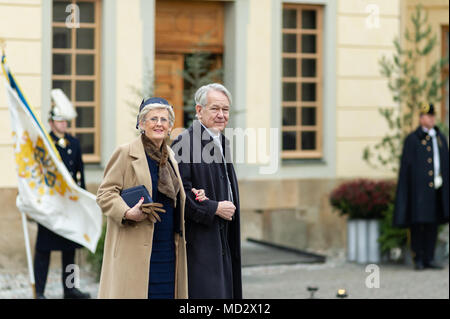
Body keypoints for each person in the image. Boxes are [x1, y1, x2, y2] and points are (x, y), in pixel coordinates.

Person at [96, 97, 207, 299]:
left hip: (166, 248)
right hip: (134, 248)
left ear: (170, 126)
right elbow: (105, 194)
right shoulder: (125, 153)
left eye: (164, 120)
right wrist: (127, 212)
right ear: (141, 123)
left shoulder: (170, 156)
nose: (159, 124)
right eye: (153, 118)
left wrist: (190, 195)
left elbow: (171, 195)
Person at [171, 83, 242, 299]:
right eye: (215, 109)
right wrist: (214, 208)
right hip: (200, 242)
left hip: (224, 238)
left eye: (225, 109)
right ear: (199, 111)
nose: (221, 115)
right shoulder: (184, 143)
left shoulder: (222, 141)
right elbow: (179, 193)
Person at [33, 89, 91, 299]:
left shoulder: (74, 144)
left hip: (70, 204)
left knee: (70, 248)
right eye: (59, 120)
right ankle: (39, 291)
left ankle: (70, 288)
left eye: (65, 120)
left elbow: (80, 174)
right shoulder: (44, 144)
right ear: (51, 122)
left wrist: (83, 199)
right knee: (44, 250)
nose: (64, 124)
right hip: (50, 203)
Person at [394, 103, 449, 270]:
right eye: (427, 116)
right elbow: (406, 167)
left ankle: (430, 258)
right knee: (418, 224)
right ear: (421, 118)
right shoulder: (413, 139)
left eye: (433, 116)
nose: (431, 119)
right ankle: (418, 258)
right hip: (418, 191)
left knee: (433, 224)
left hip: (437, 189)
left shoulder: (439, 138)